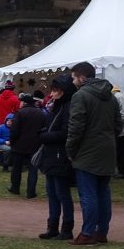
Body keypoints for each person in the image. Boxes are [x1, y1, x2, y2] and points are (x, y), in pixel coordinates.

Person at [66, 61, 120, 245]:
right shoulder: (111, 96)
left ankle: (88, 232)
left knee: (88, 194)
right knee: (103, 192)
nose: (73, 81)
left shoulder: (80, 96)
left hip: (87, 150)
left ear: (81, 77)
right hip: (107, 148)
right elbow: (117, 124)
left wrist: (71, 150)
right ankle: (101, 231)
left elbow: (76, 127)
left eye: (74, 77)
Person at [36, 75, 77, 240]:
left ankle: (66, 227)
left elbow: (66, 132)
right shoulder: (57, 107)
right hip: (52, 154)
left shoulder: (67, 107)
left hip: (60, 155)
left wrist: (46, 136)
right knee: (52, 192)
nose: (52, 94)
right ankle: (52, 226)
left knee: (62, 193)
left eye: (55, 91)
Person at [9, 93, 46, 198]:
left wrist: (12, 141)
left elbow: (14, 130)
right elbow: (44, 129)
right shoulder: (41, 113)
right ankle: (31, 192)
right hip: (35, 145)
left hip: (19, 145)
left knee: (16, 168)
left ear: (24, 102)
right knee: (33, 170)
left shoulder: (20, 113)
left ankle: (15, 188)